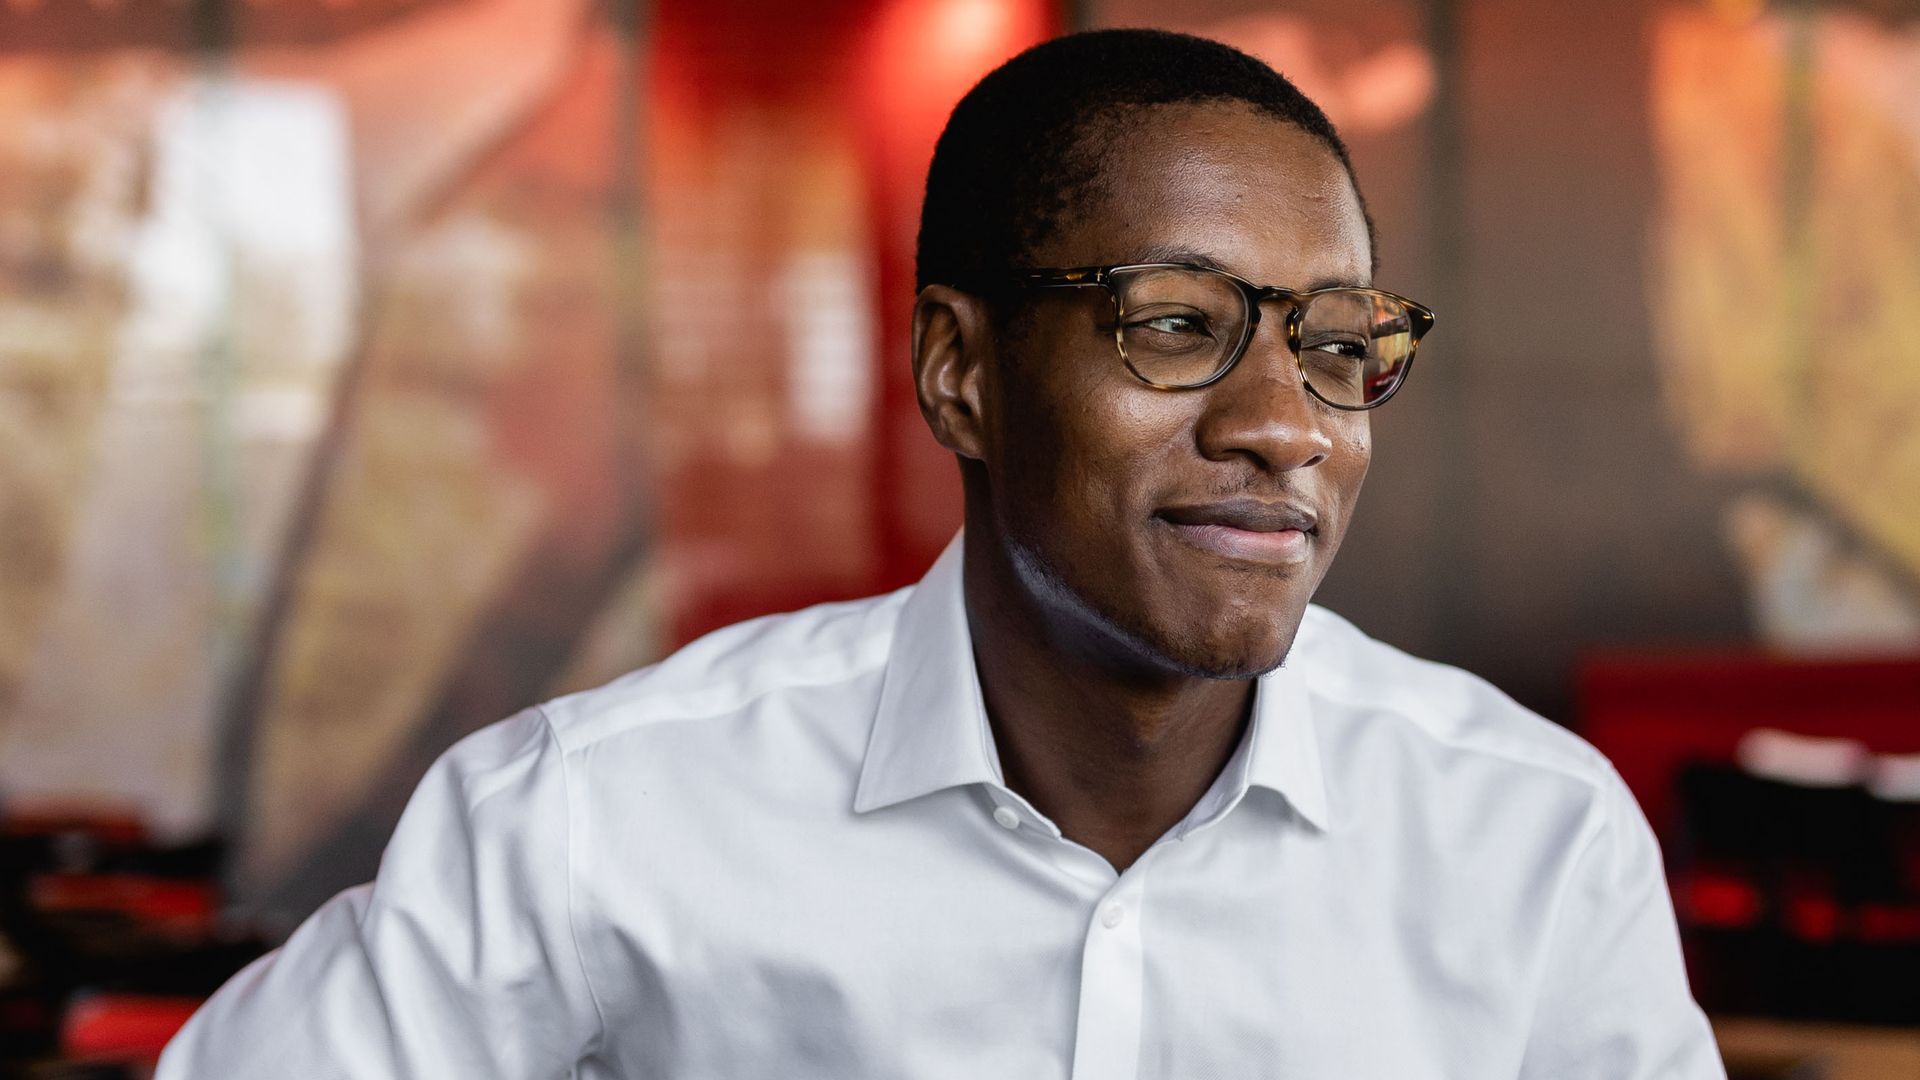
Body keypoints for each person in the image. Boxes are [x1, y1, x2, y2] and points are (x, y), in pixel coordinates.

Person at [159, 28, 1724, 1080]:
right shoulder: (600, 821)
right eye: (1177, 325)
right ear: (961, 373)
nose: (1287, 424)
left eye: (1332, 345)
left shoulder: (1527, 846)